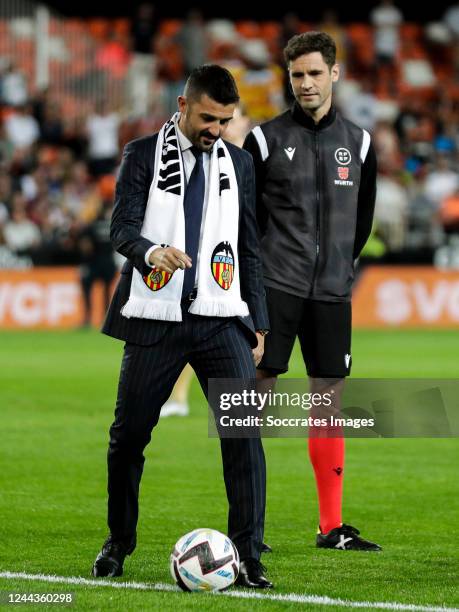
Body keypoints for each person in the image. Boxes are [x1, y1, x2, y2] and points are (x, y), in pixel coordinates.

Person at [92, 64, 272, 588]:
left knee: (244, 436)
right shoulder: (142, 154)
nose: (216, 130)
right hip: (156, 316)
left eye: (226, 120)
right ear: (183, 105)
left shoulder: (237, 163)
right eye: (209, 118)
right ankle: (118, 542)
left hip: (220, 316)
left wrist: (258, 322)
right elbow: (121, 227)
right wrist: (152, 252)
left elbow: (248, 248)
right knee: (127, 439)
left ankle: (249, 556)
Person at [243, 32, 381, 551]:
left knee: (329, 401)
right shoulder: (263, 140)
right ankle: (246, 527)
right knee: (252, 401)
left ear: (334, 74)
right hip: (274, 288)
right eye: (297, 75)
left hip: (330, 292)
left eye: (315, 73)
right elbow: (247, 224)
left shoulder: (361, 143)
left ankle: (331, 526)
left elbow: (360, 224)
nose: (306, 83)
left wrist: (338, 267)